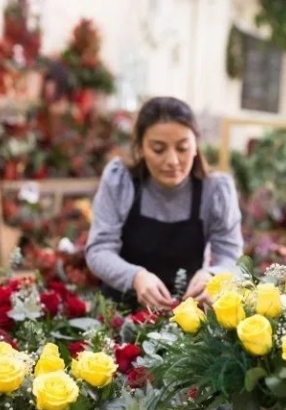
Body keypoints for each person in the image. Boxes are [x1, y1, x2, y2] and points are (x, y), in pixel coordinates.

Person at [85, 96, 243, 310]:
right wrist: (136, 277)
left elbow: (231, 259)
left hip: (187, 317)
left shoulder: (215, 190)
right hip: (119, 313)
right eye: (159, 149)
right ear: (140, 148)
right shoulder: (120, 180)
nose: (172, 161)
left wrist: (212, 275)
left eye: (182, 148)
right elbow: (99, 250)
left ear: (196, 145)